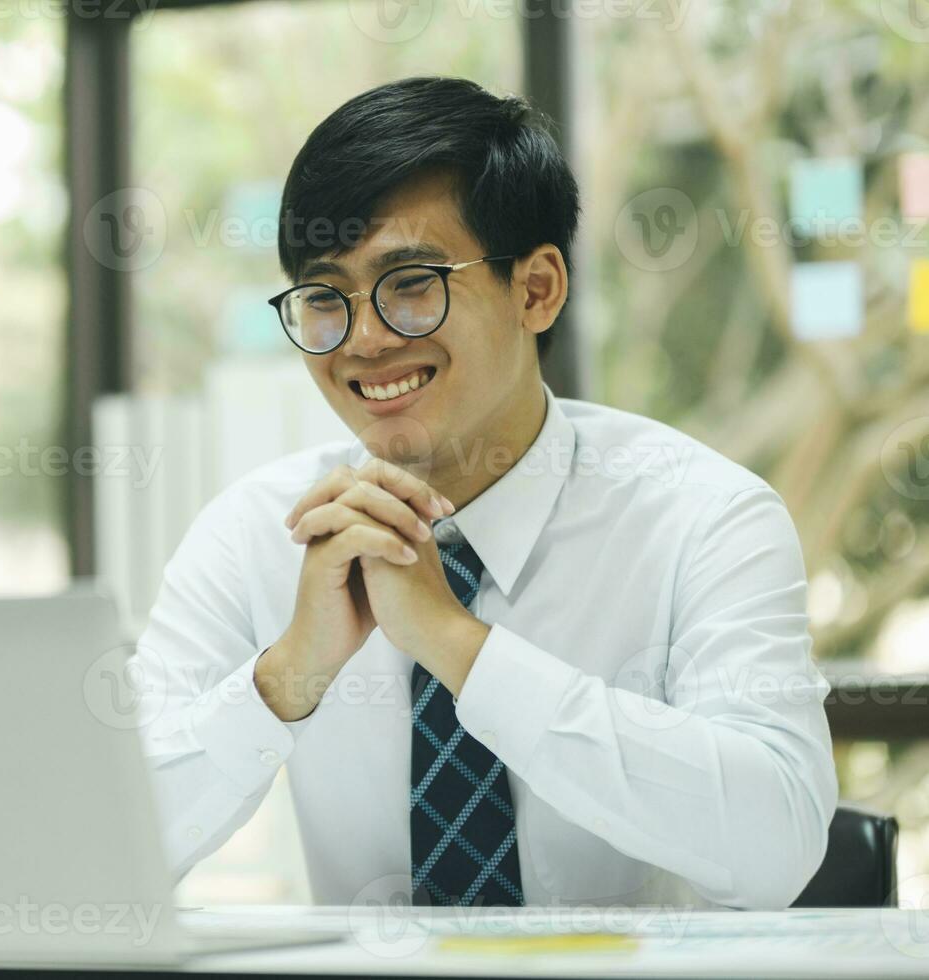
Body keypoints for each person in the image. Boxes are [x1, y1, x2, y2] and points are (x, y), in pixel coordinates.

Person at [130, 76, 836, 909]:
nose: (362, 340)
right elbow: (93, 852)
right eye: (326, 297)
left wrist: (457, 646)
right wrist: (285, 677)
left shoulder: (703, 516)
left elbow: (778, 846)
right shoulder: (257, 532)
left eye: (412, 283)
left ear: (536, 289)